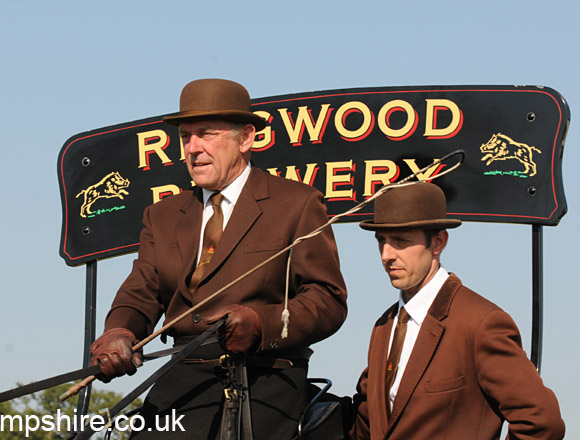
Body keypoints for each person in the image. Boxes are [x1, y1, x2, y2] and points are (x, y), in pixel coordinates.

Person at [89, 78, 348, 439]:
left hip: (264, 381)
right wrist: (120, 331)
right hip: (181, 381)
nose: (193, 148)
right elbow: (141, 292)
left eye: (206, 134)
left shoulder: (296, 204)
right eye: (186, 137)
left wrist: (261, 324)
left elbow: (328, 300)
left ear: (246, 138)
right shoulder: (162, 216)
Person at [345, 182, 565, 439]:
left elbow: (542, 422)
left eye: (401, 241)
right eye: (381, 240)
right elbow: (367, 424)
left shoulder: (480, 323)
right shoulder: (384, 326)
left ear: (438, 242)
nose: (386, 254)